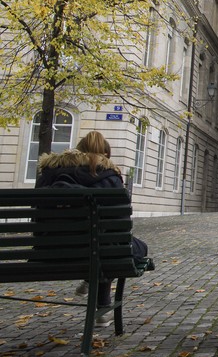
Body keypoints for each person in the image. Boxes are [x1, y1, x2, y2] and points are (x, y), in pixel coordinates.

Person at [36, 131, 148, 327]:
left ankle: (90, 280)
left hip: (49, 252)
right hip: (99, 250)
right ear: (105, 154)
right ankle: (102, 306)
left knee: (103, 245)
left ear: (77, 150)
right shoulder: (110, 176)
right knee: (121, 248)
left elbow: (37, 216)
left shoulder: (49, 173)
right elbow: (118, 226)